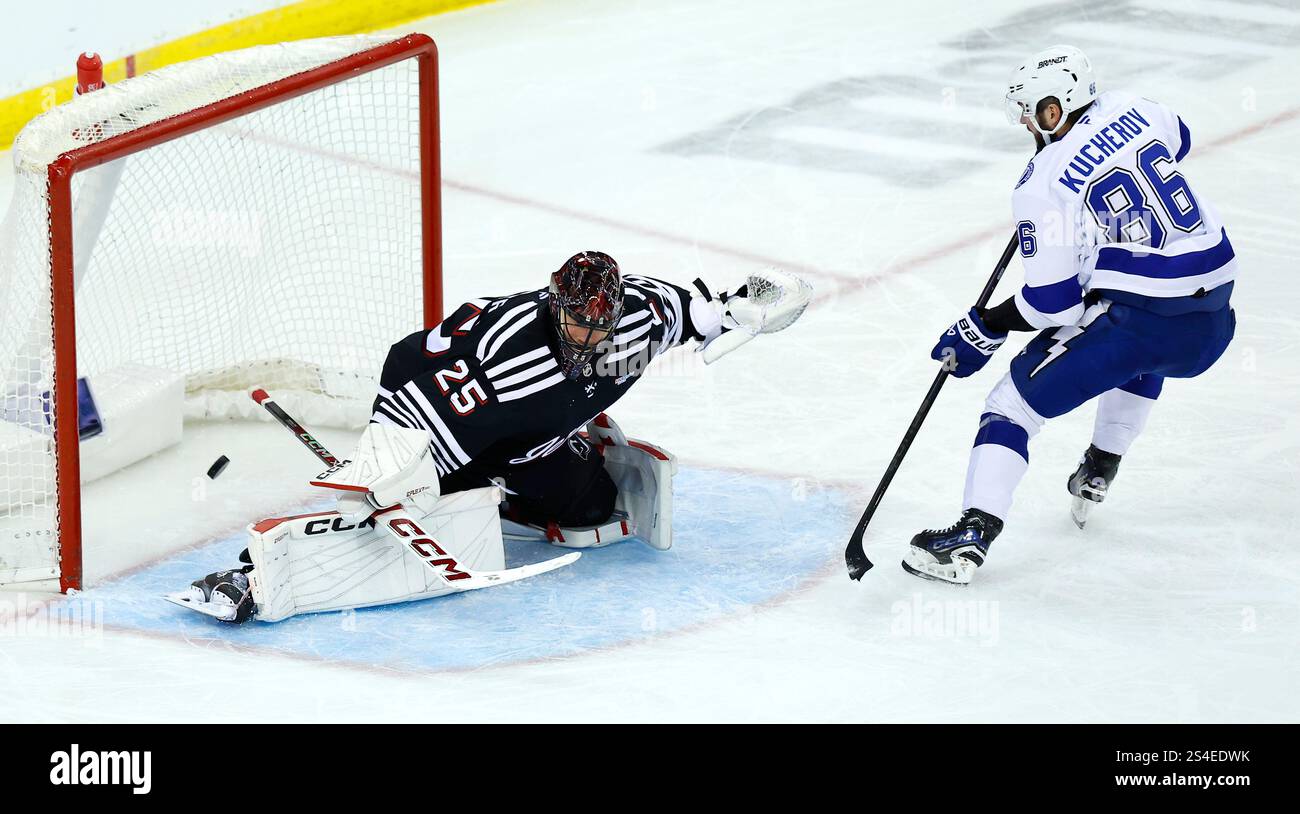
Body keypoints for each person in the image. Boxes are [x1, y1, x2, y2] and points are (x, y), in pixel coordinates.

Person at [181, 252, 811, 621]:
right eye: (574, 322)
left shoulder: (638, 319)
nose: (588, 338)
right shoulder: (505, 362)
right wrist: (391, 474)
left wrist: (749, 303)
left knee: (592, 510)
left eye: (599, 325)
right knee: (417, 503)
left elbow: (705, 311)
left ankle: (544, 469)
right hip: (441, 411)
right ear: (554, 304)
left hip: (536, 436)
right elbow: (416, 389)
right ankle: (248, 577)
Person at [905, 45, 1237, 584]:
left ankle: (972, 535)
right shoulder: (1135, 106)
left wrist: (984, 325)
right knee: (1136, 342)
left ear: (1053, 109)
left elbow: (1052, 304)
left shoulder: (1042, 183)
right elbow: (1181, 138)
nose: (1027, 125)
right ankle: (1099, 469)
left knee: (1010, 408)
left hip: (1144, 323)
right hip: (1216, 317)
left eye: (1030, 113)